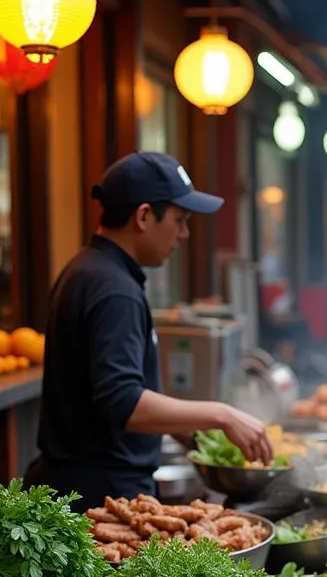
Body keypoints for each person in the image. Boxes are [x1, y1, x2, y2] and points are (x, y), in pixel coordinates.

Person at [24, 151, 272, 509]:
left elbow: (109, 390)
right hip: (100, 496)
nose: (184, 234)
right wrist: (222, 415)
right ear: (143, 216)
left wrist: (190, 435)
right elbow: (121, 401)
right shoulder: (113, 289)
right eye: (179, 220)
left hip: (82, 483)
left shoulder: (89, 269)